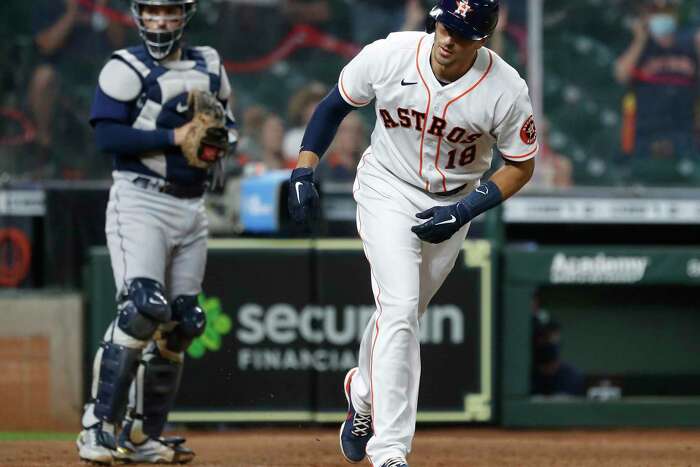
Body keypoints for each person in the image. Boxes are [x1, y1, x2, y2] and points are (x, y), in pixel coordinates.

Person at [287, 1, 536, 465]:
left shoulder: (505, 89)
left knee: (401, 314)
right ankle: (390, 451)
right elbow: (333, 105)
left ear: (481, 40)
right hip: (386, 186)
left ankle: (362, 392)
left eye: (461, 33)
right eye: (444, 25)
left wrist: (464, 210)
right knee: (399, 308)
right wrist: (304, 170)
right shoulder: (392, 54)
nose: (447, 39)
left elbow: (521, 166)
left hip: (452, 201)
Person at [76, 0, 237, 464]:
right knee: (142, 308)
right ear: (138, 16)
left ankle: (143, 436)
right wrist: (173, 138)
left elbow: (225, 126)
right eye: (152, 13)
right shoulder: (125, 66)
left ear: (184, 15)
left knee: (185, 322)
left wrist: (221, 141)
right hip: (140, 199)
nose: (160, 21)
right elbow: (108, 137)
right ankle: (96, 427)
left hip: (192, 206)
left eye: (169, 12)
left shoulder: (209, 63)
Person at [28, 0, 126, 178]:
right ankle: (44, 147)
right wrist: (71, 14)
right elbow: (46, 44)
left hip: (99, 74)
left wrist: (103, 10)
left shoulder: (109, 3)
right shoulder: (49, 4)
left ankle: (116, 154)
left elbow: (119, 41)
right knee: (43, 78)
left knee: (121, 77)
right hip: (61, 76)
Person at [615, 0, 700, 160]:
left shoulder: (690, 40)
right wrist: (639, 40)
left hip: (684, 130)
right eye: (654, 10)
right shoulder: (639, 43)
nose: (661, 15)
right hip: (645, 131)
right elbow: (621, 75)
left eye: (667, 9)